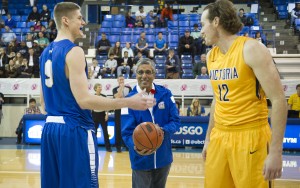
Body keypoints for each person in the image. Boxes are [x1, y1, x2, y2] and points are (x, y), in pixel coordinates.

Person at [39, 2, 155, 188]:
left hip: (50, 129)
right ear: (65, 20)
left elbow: (43, 102)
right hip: (73, 130)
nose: (84, 22)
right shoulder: (74, 51)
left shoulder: (45, 53)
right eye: (79, 18)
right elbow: (84, 101)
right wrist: (129, 102)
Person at [200, 1, 287, 188]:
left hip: (250, 136)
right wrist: (208, 138)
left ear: (216, 21)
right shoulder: (210, 56)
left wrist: (276, 152)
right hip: (219, 136)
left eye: (203, 24)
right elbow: (217, 99)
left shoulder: (251, 49)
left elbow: (279, 100)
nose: (201, 31)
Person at [121, 58, 180, 188]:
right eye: (140, 72)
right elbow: (126, 133)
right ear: (135, 74)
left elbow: (175, 121)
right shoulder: (128, 100)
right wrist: (137, 147)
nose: (144, 76)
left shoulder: (166, 94)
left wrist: (162, 131)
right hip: (140, 159)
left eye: (148, 72)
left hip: (163, 158)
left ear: (154, 74)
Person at [112, 75, 132, 152]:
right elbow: (118, 97)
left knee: (127, 127)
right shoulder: (115, 89)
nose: (121, 81)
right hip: (118, 110)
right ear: (117, 81)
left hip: (126, 109)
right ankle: (118, 146)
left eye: (122, 80)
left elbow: (130, 98)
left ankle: (126, 145)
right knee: (118, 128)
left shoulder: (129, 88)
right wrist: (121, 88)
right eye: (120, 80)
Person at [92, 83, 111, 152]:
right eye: (99, 87)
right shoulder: (92, 97)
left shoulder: (104, 96)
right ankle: (94, 147)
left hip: (102, 115)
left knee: (105, 132)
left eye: (100, 87)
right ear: (95, 88)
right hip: (95, 115)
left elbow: (107, 106)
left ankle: (108, 148)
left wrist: (107, 114)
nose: (100, 88)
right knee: (94, 132)